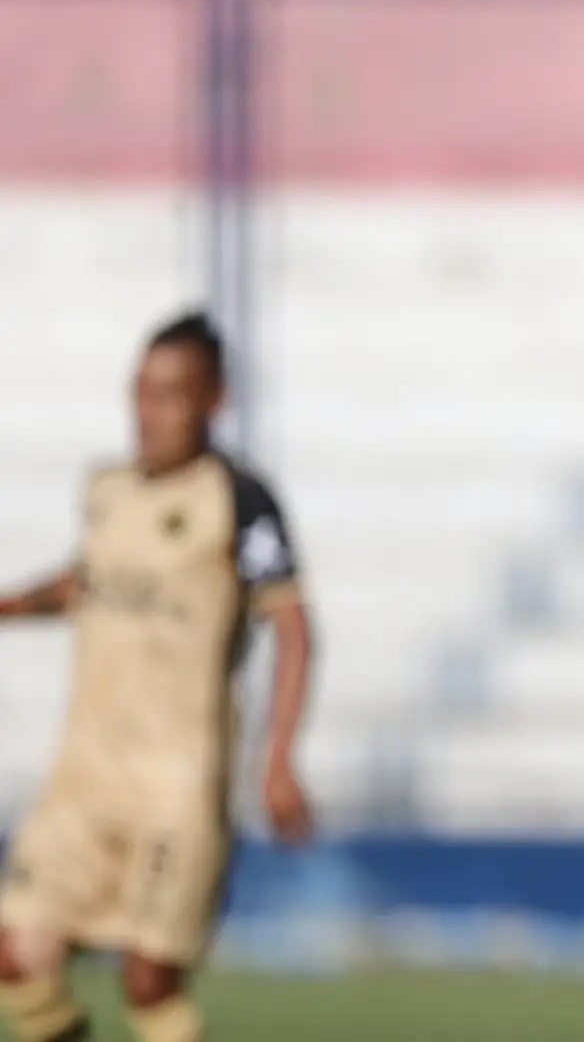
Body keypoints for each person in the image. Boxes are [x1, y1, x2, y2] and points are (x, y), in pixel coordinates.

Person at [0, 312, 316, 1042]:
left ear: (214, 401)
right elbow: (89, 583)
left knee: (148, 978)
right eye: (141, 391)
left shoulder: (238, 500)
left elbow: (294, 628)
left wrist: (278, 760)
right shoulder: (107, 489)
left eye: (171, 393)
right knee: (17, 955)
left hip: (176, 781)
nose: (149, 410)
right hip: (83, 777)